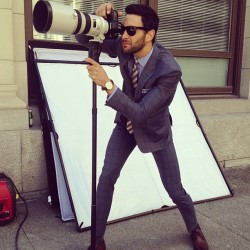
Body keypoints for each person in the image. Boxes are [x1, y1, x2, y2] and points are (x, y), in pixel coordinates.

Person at [76, 3, 209, 250]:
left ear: (150, 34)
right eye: (124, 28)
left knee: (175, 189)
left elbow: (142, 112)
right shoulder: (126, 47)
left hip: (154, 130)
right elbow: (83, 39)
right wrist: (95, 22)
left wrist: (107, 85)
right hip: (125, 126)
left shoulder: (169, 70)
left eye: (132, 30)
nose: (124, 35)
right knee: (106, 177)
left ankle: (195, 228)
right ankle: (97, 241)